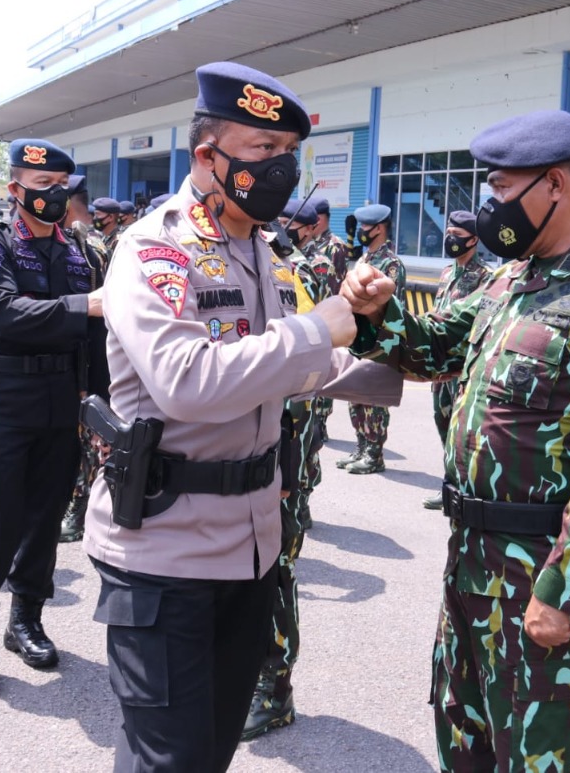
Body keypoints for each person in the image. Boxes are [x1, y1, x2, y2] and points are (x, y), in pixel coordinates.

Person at [83, 61, 401, 773]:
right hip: (164, 553)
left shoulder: (257, 247)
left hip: (248, 547)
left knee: (210, 751)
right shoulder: (155, 249)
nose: (282, 171)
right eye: (263, 152)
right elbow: (186, 380)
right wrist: (323, 326)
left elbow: (287, 363)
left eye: (289, 155)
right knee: (171, 760)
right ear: (207, 155)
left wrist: (404, 364)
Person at [340, 109, 570, 771]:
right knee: (463, 743)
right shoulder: (507, 282)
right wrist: (379, 311)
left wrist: (565, 590)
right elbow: (428, 348)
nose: (488, 210)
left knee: (537, 753)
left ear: (554, 185)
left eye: (500, 191)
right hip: (470, 566)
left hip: (537, 574)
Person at [0, 138, 104, 696]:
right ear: (15, 190)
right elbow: (4, 312)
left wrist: (102, 409)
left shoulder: (79, 251)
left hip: (61, 401)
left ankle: (26, 619)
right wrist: (81, 305)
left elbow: (98, 338)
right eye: (41, 187)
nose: (53, 196)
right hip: (3, 401)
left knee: (43, 521)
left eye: (61, 187)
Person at [242, 197, 336, 740]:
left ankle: (274, 690)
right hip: (240, 452)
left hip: (278, 451)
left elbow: (306, 369)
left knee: (274, 572)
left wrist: (285, 465)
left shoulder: (284, 272)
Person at [422, 210, 491, 511]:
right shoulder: (448, 273)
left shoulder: (486, 278)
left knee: (461, 430)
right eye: (448, 232)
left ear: (474, 239)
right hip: (440, 368)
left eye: (457, 234)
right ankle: (449, 483)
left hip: (462, 370)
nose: (450, 239)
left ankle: (464, 486)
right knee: (442, 423)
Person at [58, 182, 111, 544]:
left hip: (85, 355)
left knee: (87, 438)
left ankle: (78, 511)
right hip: (57, 356)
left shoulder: (92, 250)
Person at [336, 202, 404, 475]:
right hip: (358, 339)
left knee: (373, 399)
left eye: (366, 227)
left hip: (379, 340)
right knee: (356, 396)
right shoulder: (363, 260)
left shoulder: (391, 263)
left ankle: (375, 454)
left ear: (379, 228)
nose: (362, 231)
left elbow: (393, 305)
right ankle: (362, 445)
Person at [309, 198, 347, 443]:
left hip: (327, 318)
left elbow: (334, 286)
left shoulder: (335, 247)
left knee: (324, 370)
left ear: (319, 220)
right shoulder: (311, 243)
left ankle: (320, 421)